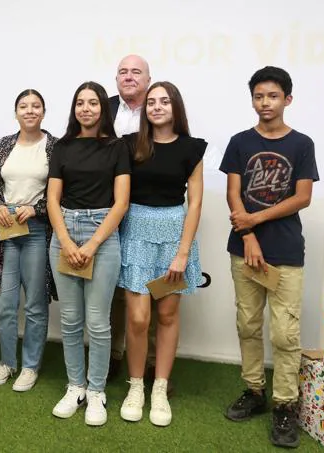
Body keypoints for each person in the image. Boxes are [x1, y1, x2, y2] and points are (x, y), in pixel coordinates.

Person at [221, 66, 318, 449]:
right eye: (259, 96)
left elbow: (302, 197)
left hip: (286, 251)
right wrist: (248, 236)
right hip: (244, 249)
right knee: (247, 323)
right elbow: (233, 194)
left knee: (285, 333)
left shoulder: (302, 144)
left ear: (287, 100)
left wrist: (255, 219)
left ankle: (284, 405)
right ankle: (255, 391)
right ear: (252, 100)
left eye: (273, 96)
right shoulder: (240, 142)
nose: (265, 103)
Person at [117, 82, 205, 427]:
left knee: (167, 316)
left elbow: (195, 202)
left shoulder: (191, 148)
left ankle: (160, 388)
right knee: (138, 319)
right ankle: (136, 386)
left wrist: (182, 253)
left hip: (173, 239)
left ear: (175, 107)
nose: (156, 107)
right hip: (135, 234)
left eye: (163, 101)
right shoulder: (129, 145)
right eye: (151, 102)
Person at [48, 81, 130, 426]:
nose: (86, 108)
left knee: (97, 322)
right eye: (80, 103)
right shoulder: (63, 146)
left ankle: (96, 391)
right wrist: (66, 241)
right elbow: (53, 199)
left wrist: (92, 244)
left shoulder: (117, 147)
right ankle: (75, 386)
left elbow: (121, 201)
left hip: (103, 234)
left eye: (93, 103)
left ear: (103, 108)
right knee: (70, 321)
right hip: (64, 233)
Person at [0, 89, 57, 392]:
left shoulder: (54, 147)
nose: (29, 111)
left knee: (36, 304)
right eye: (23, 106)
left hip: (37, 231)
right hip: (5, 231)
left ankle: (30, 367)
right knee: (5, 302)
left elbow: (57, 193)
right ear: (16, 113)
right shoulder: (2, 145)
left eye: (35, 105)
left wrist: (35, 209)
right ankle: (7, 363)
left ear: (43, 111)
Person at [106, 54, 154, 383]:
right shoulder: (104, 108)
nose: (129, 77)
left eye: (136, 72)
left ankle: (150, 362)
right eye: (123, 72)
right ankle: (112, 355)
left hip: (148, 209)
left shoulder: (160, 107)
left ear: (148, 79)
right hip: (108, 210)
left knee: (147, 289)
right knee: (112, 287)